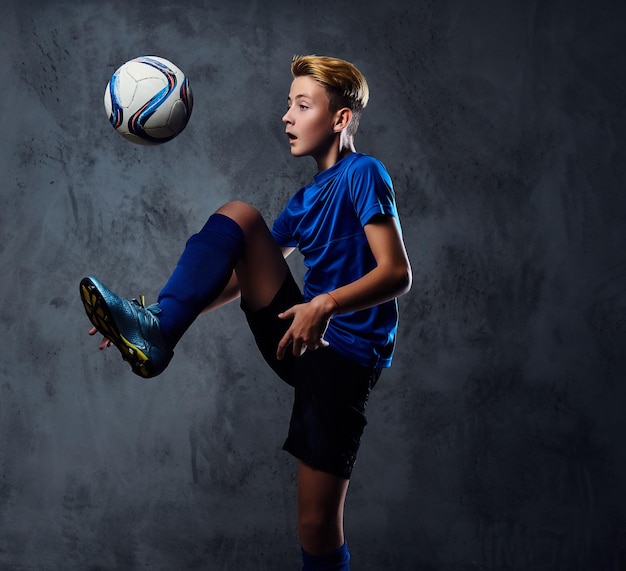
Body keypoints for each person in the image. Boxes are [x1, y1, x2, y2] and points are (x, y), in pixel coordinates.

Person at [80, 54, 411, 571]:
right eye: (288, 105)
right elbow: (238, 276)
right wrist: (144, 314)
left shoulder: (364, 174)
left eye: (302, 105)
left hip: (343, 358)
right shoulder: (303, 201)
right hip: (296, 339)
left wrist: (325, 303)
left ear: (341, 119)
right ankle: (155, 327)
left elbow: (397, 273)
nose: (287, 116)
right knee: (239, 217)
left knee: (316, 528)